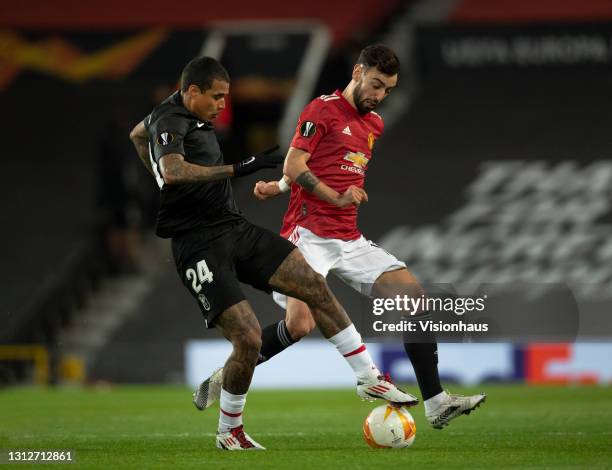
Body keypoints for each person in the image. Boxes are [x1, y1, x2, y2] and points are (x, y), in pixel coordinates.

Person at [129, 56, 418, 451]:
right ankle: (229, 431)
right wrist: (236, 168)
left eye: (225, 97)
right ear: (192, 91)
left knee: (313, 285)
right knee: (247, 339)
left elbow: (135, 135)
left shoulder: (169, 112)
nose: (222, 106)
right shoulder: (170, 121)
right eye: (216, 97)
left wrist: (160, 177)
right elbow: (175, 170)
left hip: (233, 227)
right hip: (196, 244)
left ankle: (369, 378)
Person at [195, 45, 486, 429]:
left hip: (349, 237)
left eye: (388, 90)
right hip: (309, 235)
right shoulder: (322, 109)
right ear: (358, 71)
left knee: (414, 299)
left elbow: (318, 161)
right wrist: (314, 189)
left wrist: (279, 186)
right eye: (376, 84)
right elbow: (296, 162)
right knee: (299, 326)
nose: (379, 96)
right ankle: (228, 372)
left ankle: (436, 402)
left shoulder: (374, 125)